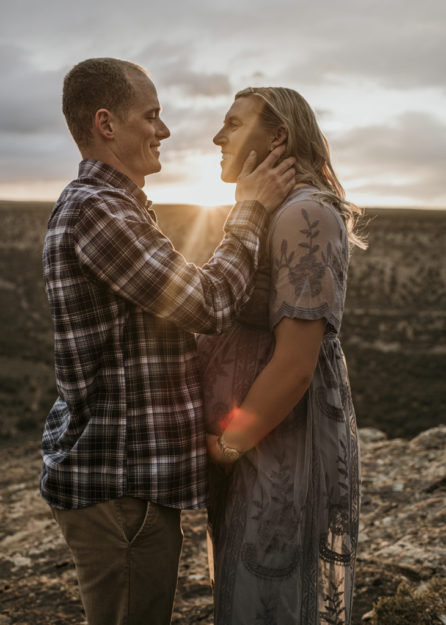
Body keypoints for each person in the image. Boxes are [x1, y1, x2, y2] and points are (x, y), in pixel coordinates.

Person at [40, 58, 296, 625]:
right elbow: (206, 305)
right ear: (107, 124)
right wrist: (249, 209)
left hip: (126, 483)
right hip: (119, 483)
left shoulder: (117, 207)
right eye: (151, 115)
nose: (165, 130)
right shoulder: (95, 211)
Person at [197, 87, 367, 625]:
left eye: (233, 124)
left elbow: (296, 366)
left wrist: (228, 446)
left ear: (278, 137)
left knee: (269, 601)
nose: (218, 137)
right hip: (255, 446)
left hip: (278, 449)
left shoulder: (304, 216)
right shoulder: (274, 211)